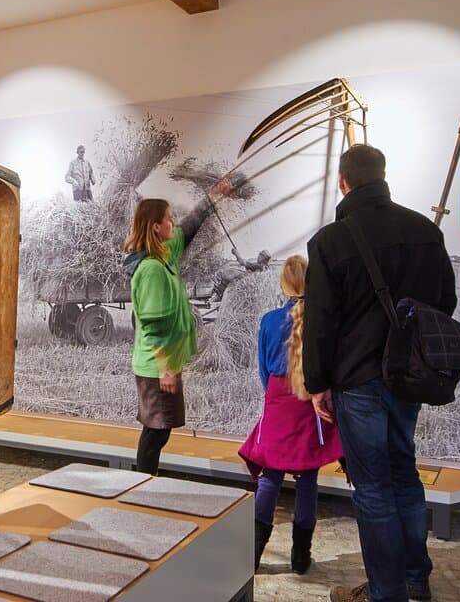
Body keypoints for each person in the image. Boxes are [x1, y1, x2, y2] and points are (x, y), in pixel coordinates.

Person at [303, 145, 457, 602]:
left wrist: (317, 384)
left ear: (343, 181)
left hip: (357, 381)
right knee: (404, 472)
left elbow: (320, 323)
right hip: (408, 377)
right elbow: (444, 303)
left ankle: (385, 592)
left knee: (372, 488)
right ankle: (414, 579)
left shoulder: (330, 241)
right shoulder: (425, 232)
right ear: (383, 175)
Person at [238, 255, 343, 574]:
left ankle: (253, 555)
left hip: (278, 400)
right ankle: (300, 557)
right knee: (307, 476)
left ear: (284, 283)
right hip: (309, 399)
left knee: (270, 476)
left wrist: (274, 395)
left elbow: (262, 371)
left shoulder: (269, 321)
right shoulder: (323, 320)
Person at [123, 178, 231, 474]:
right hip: (156, 365)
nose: (174, 223)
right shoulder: (152, 269)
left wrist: (212, 198)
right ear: (156, 227)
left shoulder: (163, 253)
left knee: (159, 430)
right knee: (156, 430)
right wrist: (167, 367)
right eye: (169, 219)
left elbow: (189, 229)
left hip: (161, 364)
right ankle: (143, 482)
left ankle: (145, 478)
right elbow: (155, 323)